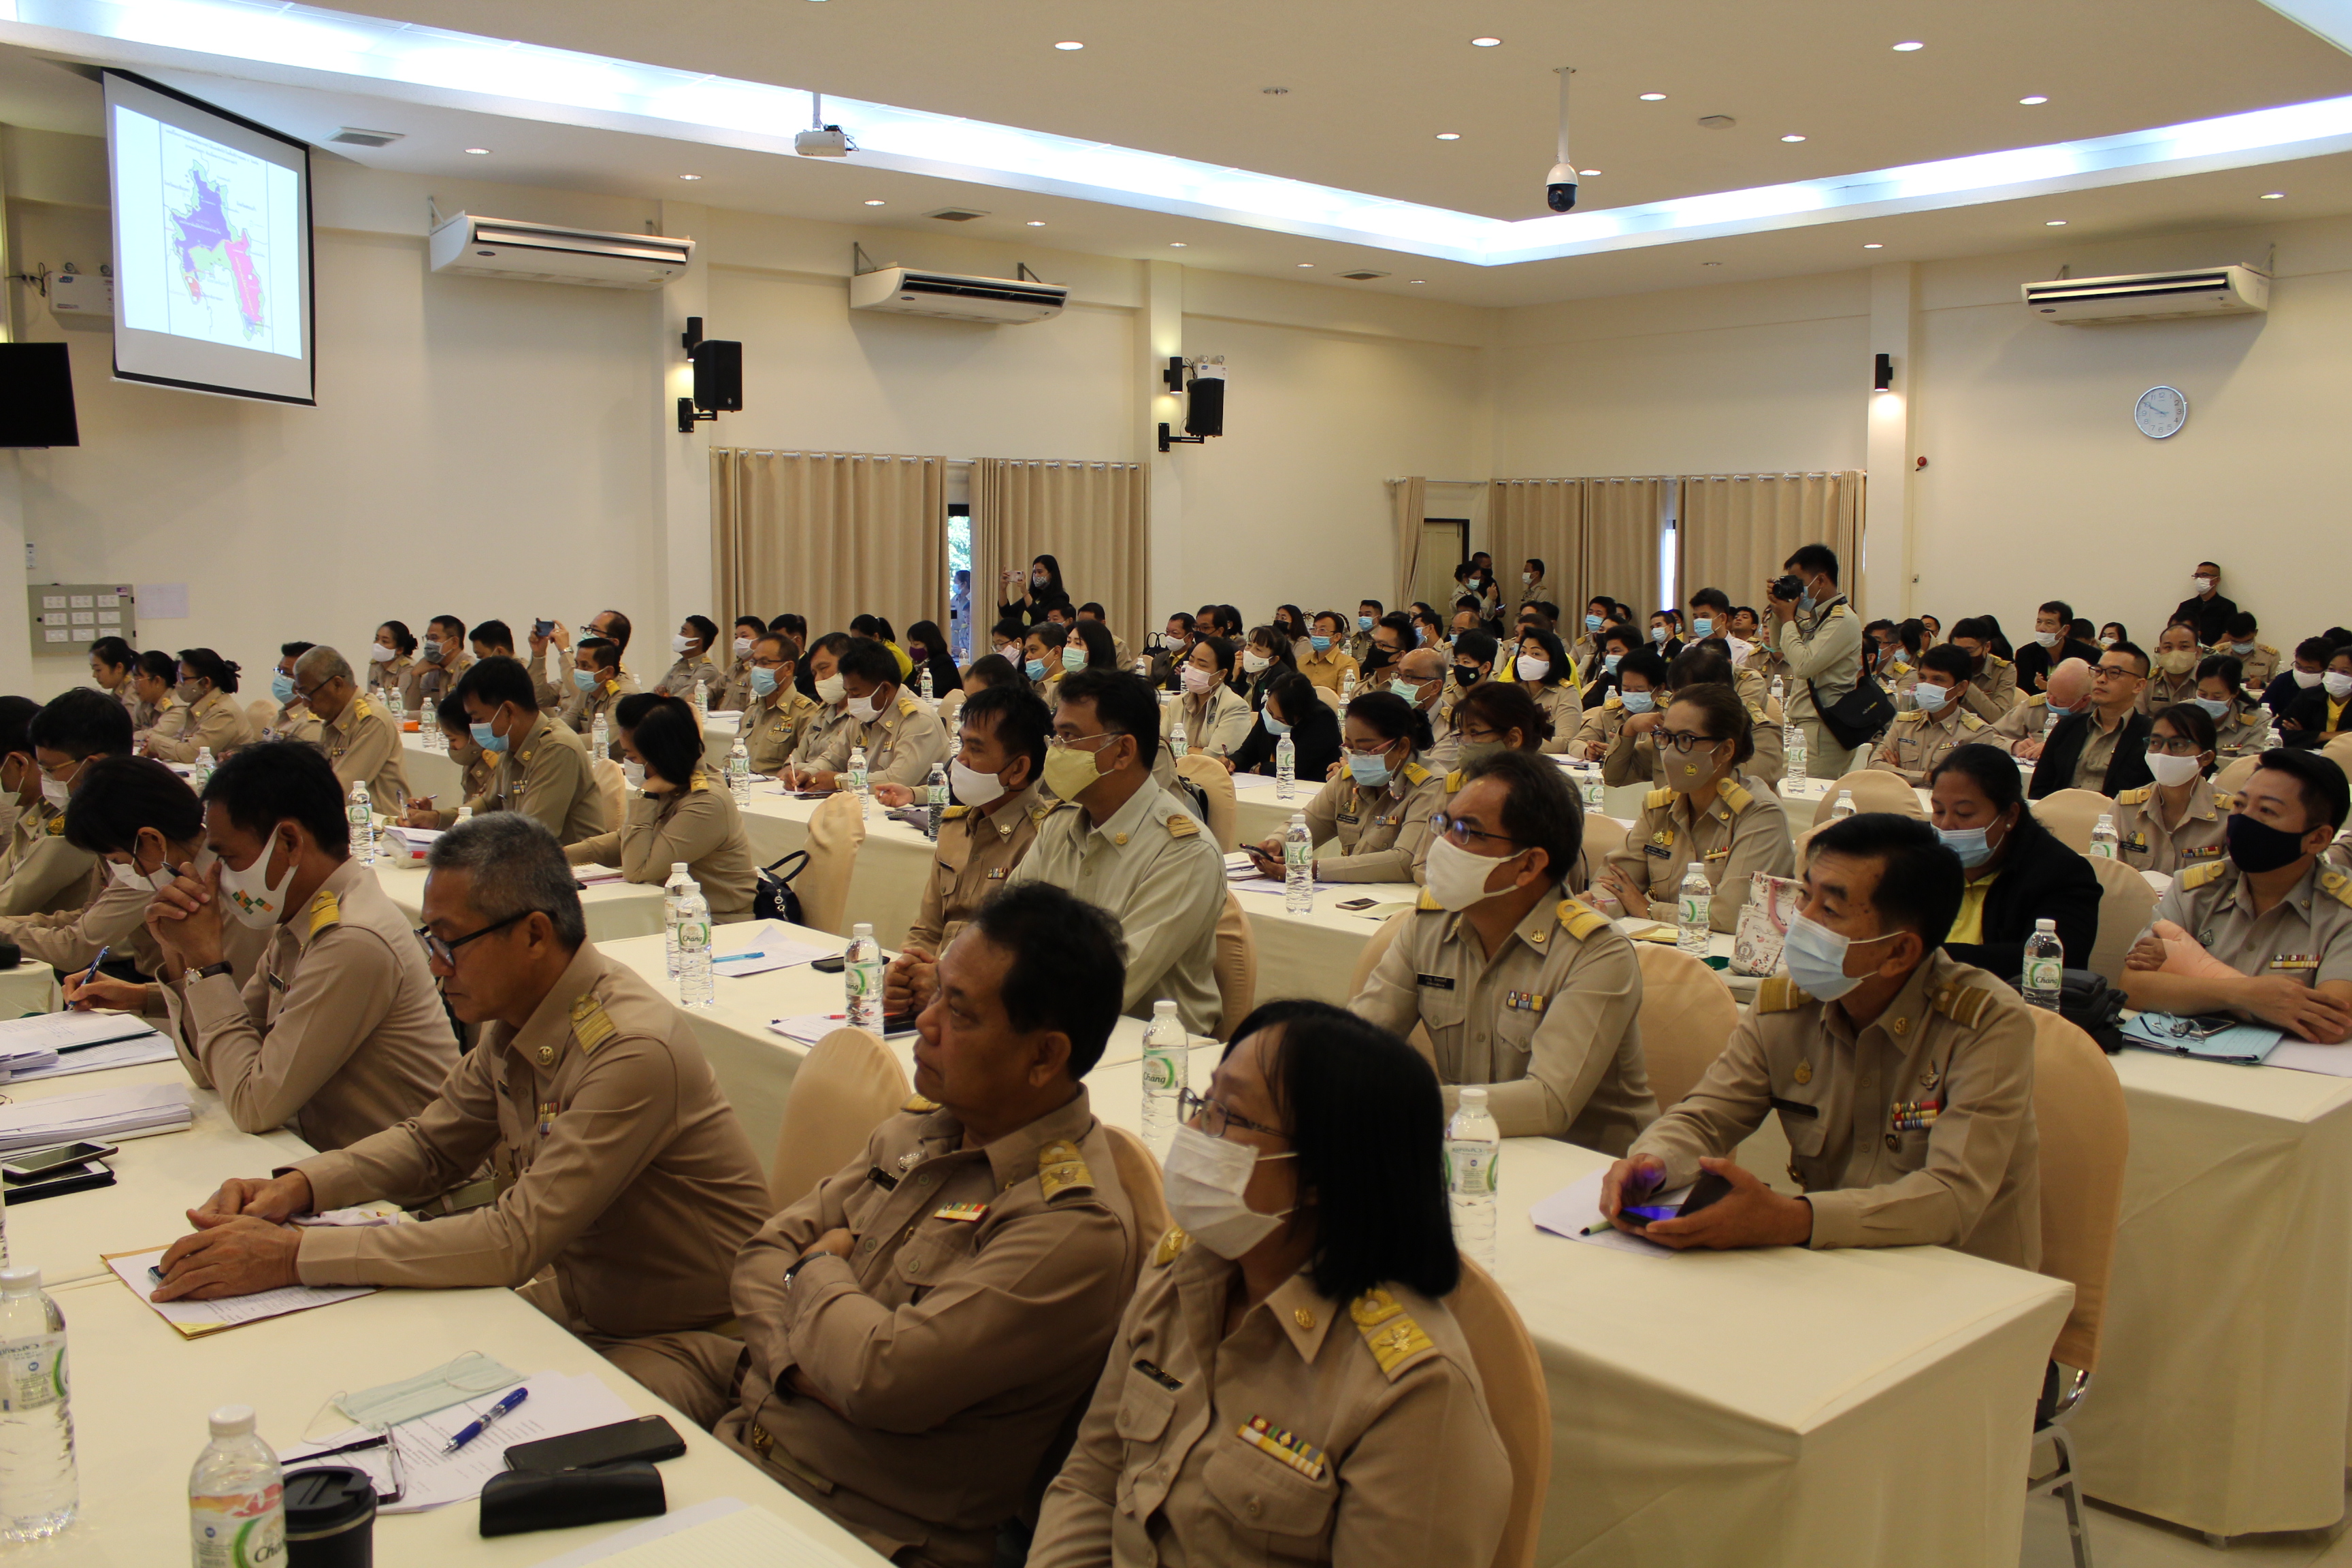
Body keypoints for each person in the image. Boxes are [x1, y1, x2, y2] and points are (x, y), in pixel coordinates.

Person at [152, 814, 774, 1414]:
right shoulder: (517, 1018)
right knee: (380, 1376)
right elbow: (431, 1146)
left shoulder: (629, 1048)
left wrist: (291, 1258)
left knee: (506, 1445)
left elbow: (514, 1241)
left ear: (534, 934)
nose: (434, 964)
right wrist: (297, 1188)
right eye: (430, 940)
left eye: (449, 942)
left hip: (699, 1339)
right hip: (592, 1306)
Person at [672, 887, 1149, 1565]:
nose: (924, 1023)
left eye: (959, 1011)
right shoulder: (925, 1127)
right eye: (935, 995)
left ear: (1043, 1057)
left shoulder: (1072, 1227)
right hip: (744, 1447)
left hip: (864, 1532)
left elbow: (882, 1378)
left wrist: (816, 1270)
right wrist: (801, 1370)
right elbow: (758, 1255)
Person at [1030, 1000, 1509, 1568]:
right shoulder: (1182, 1271)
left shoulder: (1413, 1394)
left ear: (1319, 1177)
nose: (1193, 1131)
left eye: (1226, 1115)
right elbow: (1090, 1482)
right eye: (1204, 1103)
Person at [1601, 811, 2041, 1267]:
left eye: (1829, 910)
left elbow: (1952, 1195)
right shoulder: (1788, 1007)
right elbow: (1706, 1116)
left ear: (1899, 951)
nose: (1799, 923)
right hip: (1829, 1267)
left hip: (1961, 1284)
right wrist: (1653, 1162)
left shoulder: (1986, 1024)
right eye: (1805, 898)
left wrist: (1794, 1219)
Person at [120, 745, 459, 1150]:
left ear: (289, 841)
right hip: (339, 1168)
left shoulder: (352, 939)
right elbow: (213, 1072)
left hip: (412, 1200)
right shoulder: (299, 922)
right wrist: (179, 955)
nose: (215, 875)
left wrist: (207, 964)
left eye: (228, 857)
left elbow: (253, 1105)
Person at [1353, 748, 1653, 1147]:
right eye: (1445, 825)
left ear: (1529, 865)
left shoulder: (1596, 953)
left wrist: (1403, 1105)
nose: (1442, 845)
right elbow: (1360, 1041)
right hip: (1470, 1153)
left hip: (1589, 1178)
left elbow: (1548, 1103)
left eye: (1468, 832)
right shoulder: (1428, 925)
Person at [1008, 670, 1224, 1033]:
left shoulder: (1184, 852)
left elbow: (1109, 987)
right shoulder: (1060, 825)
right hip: (1048, 1024)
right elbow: (1004, 928)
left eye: (1070, 737)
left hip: (1151, 1055)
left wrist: (993, 1003)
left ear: (1122, 751)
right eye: (1057, 736)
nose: (1057, 752)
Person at [2121, 750, 2352, 1041]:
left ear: (2317, 838)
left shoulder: (2343, 909)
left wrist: (2192, 972)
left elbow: (2330, 1022)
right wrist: (2243, 995)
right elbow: (2134, 986)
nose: (2243, 820)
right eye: (2240, 805)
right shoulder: (2194, 889)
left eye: (2267, 811)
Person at [881, 686, 1056, 1016]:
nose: (958, 761)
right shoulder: (954, 828)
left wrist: (945, 980)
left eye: (975, 749)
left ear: (1017, 770)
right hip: (935, 997)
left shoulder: (1043, 839)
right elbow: (927, 929)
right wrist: (903, 972)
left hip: (991, 1008)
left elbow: (1020, 956)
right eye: (961, 745)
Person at [1596, 685, 1794, 932]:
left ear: (1725, 750)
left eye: (1686, 740)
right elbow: (1614, 879)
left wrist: (1648, 909)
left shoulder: (1759, 814)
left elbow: (1731, 915)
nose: (1669, 752)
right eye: (1666, 737)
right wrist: (1599, 905)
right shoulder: (1661, 808)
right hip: (1662, 950)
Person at [566, 696, 756, 921]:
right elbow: (625, 841)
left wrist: (646, 794)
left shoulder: (706, 802)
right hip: (672, 913)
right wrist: (557, 857)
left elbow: (638, 869)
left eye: (632, 756)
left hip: (713, 924)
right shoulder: (673, 782)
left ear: (660, 755)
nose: (628, 764)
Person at [1931, 744, 2101, 979]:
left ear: (2010, 815)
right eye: (1938, 811)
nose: (1946, 825)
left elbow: (2053, 960)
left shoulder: (2060, 873)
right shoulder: (1923, 860)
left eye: (1964, 814)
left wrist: (1928, 957)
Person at [0, 690, 142, 966]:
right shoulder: (101, 819)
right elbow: (84, 917)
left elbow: (77, 948)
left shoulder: (136, 834)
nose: (43, 780)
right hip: (95, 959)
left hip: (122, 968)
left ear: (92, 766)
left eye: (50, 771)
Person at [1243, 691, 1443, 887]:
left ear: (1402, 747)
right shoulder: (1349, 779)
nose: (1355, 757)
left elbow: (1403, 861)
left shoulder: (1431, 787)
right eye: (1349, 747)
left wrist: (1313, 869)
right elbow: (1310, 821)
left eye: (1365, 750)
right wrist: (1277, 844)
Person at [420, 655, 606, 846]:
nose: (474, 728)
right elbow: (489, 806)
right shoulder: (512, 744)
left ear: (508, 711)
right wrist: (435, 819)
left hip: (573, 868)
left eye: (477, 719)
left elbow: (532, 833)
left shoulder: (556, 749)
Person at [786, 636, 953, 789]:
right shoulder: (863, 714)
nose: (851, 700)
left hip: (911, 815)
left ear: (885, 689)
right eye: (848, 692)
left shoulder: (919, 720)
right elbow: (833, 759)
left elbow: (897, 780)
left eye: (856, 694)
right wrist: (808, 774)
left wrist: (838, 781)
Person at [1768, 544, 1865, 776]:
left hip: (1824, 730)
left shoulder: (1842, 620)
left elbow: (1803, 666)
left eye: (1799, 583)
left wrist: (1789, 619)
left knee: (1807, 803)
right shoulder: (1818, 618)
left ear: (1820, 580)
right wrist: (1777, 610)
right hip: (1807, 726)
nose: (1797, 591)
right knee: (1790, 794)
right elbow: (1778, 647)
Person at [2111, 704, 2231, 874]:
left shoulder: (2230, 816)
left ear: (2205, 757)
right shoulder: (2125, 808)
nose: (2163, 753)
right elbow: (2110, 875)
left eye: (2178, 744)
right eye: (2155, 743)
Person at [2029, 641, 2154, 799]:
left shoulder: (2150, 735)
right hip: (2061, 816)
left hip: (2115, 820)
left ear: (2139, 685)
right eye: (2098, 671)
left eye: (2114, 673)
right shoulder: (2068, 727)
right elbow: (2039, 788)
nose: (2101, 679)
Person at [291, 646, 408, 812]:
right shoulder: (335, 718)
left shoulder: (372, 720)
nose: (305, 704)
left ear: (337, 684)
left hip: (378, 827)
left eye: (308, 695)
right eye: (301, 696)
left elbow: (339, 790)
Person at [1869, 644, 1999, 783]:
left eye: (1937, 679)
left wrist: (1898, 774)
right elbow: (1874, 767)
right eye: (1922, 678)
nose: (1927, 685)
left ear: (1961, 688)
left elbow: (1962, 784)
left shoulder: (1977, 734)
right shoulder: (1903, 724)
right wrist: (1928, 777)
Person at [1226, 670, 1341, 786]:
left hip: (1310, 788)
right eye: (1270, 712)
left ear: (1300, 716)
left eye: (1281, 720)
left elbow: (1293, 769)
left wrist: (1259, 769)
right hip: (1269, 786)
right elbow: (1248, 752)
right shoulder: (1267, 709)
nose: (1272, 719)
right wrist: (1232, 762)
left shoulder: (1322, 720)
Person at [143, 649, 255, 763]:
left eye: (183, 678)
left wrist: (155, 742)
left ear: (205, 682)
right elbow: (181, 741)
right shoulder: (198, 706)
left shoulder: (224, 712)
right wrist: (158, 750)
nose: (177, 683)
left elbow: (192, 754)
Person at [739, 632, 822, 774]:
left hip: (775, 790)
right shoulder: (752, 710)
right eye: (755, 662)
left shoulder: (806, 713)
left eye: (765, 663)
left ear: (788, 668)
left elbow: (806, 765)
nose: (757, 669)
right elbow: (732, 756)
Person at [410, 694, 497, 828]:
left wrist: (435, 818)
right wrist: (429, 817)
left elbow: (486, 816)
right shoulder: (472, 761)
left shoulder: (497, 765)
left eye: (453, 740)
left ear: (474, 734)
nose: (452, 748)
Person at [1164, 636, 1253, 760]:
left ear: (1222, 673)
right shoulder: (1177, 703)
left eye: (1202, 665)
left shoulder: (1235, 706)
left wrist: (1179, 748)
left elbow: (1216, 756)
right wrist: (1194, 751)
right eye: (1191, 661)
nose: (1193, 668)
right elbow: (1161, 747)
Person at [1571, 645, 1665, 762]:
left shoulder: (1671, 713)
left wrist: (1619, 751)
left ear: (1660, 688)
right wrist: (1589, 751)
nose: (1633, 694)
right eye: (1627, 689)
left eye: (1640, 690)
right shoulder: (1612, 710)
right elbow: (1576, 742)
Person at [1994, 657, 2092, 758]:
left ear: (2084, 700)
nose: (2050, 702)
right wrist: (2014, 746)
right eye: (2049, 693)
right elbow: (1988, 736)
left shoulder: (2102, 712)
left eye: (2061, 701)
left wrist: (2057, 749)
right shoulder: (2034, 706)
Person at [552, 636, 638, 751]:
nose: (578, 671)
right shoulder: (588, 689)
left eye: (585, 666)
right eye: (577, 664)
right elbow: (564, 724)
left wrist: (556, 740)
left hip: (620, 766)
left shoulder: (626, 695)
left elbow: (600, 739)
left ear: (608, 672)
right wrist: (546, 733)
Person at [789, 632, 859, 770]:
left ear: (848, 664)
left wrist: (800, 770)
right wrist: (791, 769)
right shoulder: (823, 711)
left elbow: (842, 766)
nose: (817, 679)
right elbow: (796, 757)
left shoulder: (861, 713)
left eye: (823, 669)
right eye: (814, 673)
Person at [1509, 626, 1582, 753]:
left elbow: (1566, 742)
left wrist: (1517, 743)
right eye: (1523, 652)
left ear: (1553, 660)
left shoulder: (1566, 692)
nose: (1526, 659)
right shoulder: (1512, 692)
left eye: (1536, 654)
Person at [2015, 600, 2103, 694]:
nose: (2041, 628)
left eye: (2049, 623)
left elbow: (2091, 691)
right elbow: (2023, 694)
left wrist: (2050, 688)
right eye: (2039, 622)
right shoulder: (2025, 654)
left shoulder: (2089, 655)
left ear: (2065, 630)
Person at [2195, 655, 2274, 756]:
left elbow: (2247, 765)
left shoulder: (2256, 721)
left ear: (2235, 693)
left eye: (2217, 697)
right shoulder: (2183, 713)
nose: (2208, 700)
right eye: (2202, 694)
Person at [2278, 644, 2352, 747]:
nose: (2335, 675)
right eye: (2331, 669)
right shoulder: (2309, 696)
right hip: (2309, 760)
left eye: (2345, 672)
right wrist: (2324, 736)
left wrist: (2305, 735)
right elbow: (2278, 733)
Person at [401, 615, 473, 715]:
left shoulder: (469, 670)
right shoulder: (431, 669)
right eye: (428, 639)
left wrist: (409, 715)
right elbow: (411, 709)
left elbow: (460, 715)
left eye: (434, 638)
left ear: (454, 642)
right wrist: (415, 675)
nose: (429, 644)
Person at [2262, 635, 2336, 717]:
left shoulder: (2334, 689)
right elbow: (2263, 709)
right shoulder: (2283, 680)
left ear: (2326, 670)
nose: (2302, 672)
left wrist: (2303, 730)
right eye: (2298, 666)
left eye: (2309, 670)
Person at [131, 649, 189, 752]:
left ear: (157, 681)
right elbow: (129, 731)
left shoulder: (178, 707)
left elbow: (153, 738)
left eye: (137, 680)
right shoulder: (144, 703)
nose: (134, 686)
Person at [2140, 619, 2203, 715]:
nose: (2175, 652)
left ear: (2198, 652)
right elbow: (2138, 720)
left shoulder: (2208, 680)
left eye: (2184, 646)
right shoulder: (2147, 682)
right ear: (2160, 651)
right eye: (2168, 647)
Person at [657, 615, 725, 701]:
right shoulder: (679, 666)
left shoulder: (707, 670)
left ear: (697, 642)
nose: (678, 636)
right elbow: (655, 692)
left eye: (684, 632)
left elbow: (679, 701)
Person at [2172, 561, 2238, 648]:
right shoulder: (2186, 606)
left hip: (2215, 656)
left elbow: (2227, 636)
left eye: (2204, 575)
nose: (2199, 579)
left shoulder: (2228, 606)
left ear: (2217, 580)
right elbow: (2174, 632)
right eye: (2197, 576)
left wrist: (2209, 653)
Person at [1238, 625, 1301, 714]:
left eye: (1258, 649)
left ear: (1273, 660)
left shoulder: (1280, 680)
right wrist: (1233, 677)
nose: (1249, 652)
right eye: (1249, 645)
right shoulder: (1244, 671)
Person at [1001, 553, 1073, 626]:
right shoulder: (1033, 595)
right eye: (1034, 572)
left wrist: (1025, 592)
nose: (1036, 576)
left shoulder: (1060, 597)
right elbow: (1007, 613)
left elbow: (1040, 617)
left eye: (1040, 572)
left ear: (1051, 574)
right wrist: (1003, 589)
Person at [1299, 611, 1360, 696]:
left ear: (1337, 637)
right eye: (1314, 629)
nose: (1317, 634)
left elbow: (1345, 700)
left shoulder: (1347, 663)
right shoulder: (1303, 660)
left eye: (1322, 630)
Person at [2219, 611, 2280, 694]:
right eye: (2235, 642)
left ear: (2256, 632)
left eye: (2247, 642)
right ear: (2228, 634)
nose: (2241, 645)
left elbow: (2279, 688)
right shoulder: (2218, 653)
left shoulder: (2271, 656)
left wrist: (2262, 685)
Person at [904, 618, 964, 697]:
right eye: (911, 643)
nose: (912, 647)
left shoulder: (944, 663)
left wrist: (906, 690)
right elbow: (907, 685)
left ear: (930, 644)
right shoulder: (920, 663)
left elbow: (934, 692)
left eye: (916, 644)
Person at [90, 636, 141, 725]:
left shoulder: (133, 688)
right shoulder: (119, 689)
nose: (94, 676)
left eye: (98, 670)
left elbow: (127, 728)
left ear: (119, 667)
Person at [1022, 621, 1073, 707]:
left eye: (1033, 650)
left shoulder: (1070, 688)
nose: (1027, 656)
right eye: (1026, 651)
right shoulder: (1025, 688)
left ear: (1056, 652)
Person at [367, 621, 417, 700]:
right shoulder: (375, 665)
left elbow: (400, 702)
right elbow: (371, 699)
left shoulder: (408, 668)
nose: (378, 644)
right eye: (377, 639)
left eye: (384, 641)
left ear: (399, 650)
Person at [1350, 598, 1385, 665]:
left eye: (1368, 615)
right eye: (1360, 615)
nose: (1363, 618)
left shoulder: (1383, 638)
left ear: (1378, 618)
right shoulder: (1355, 638)